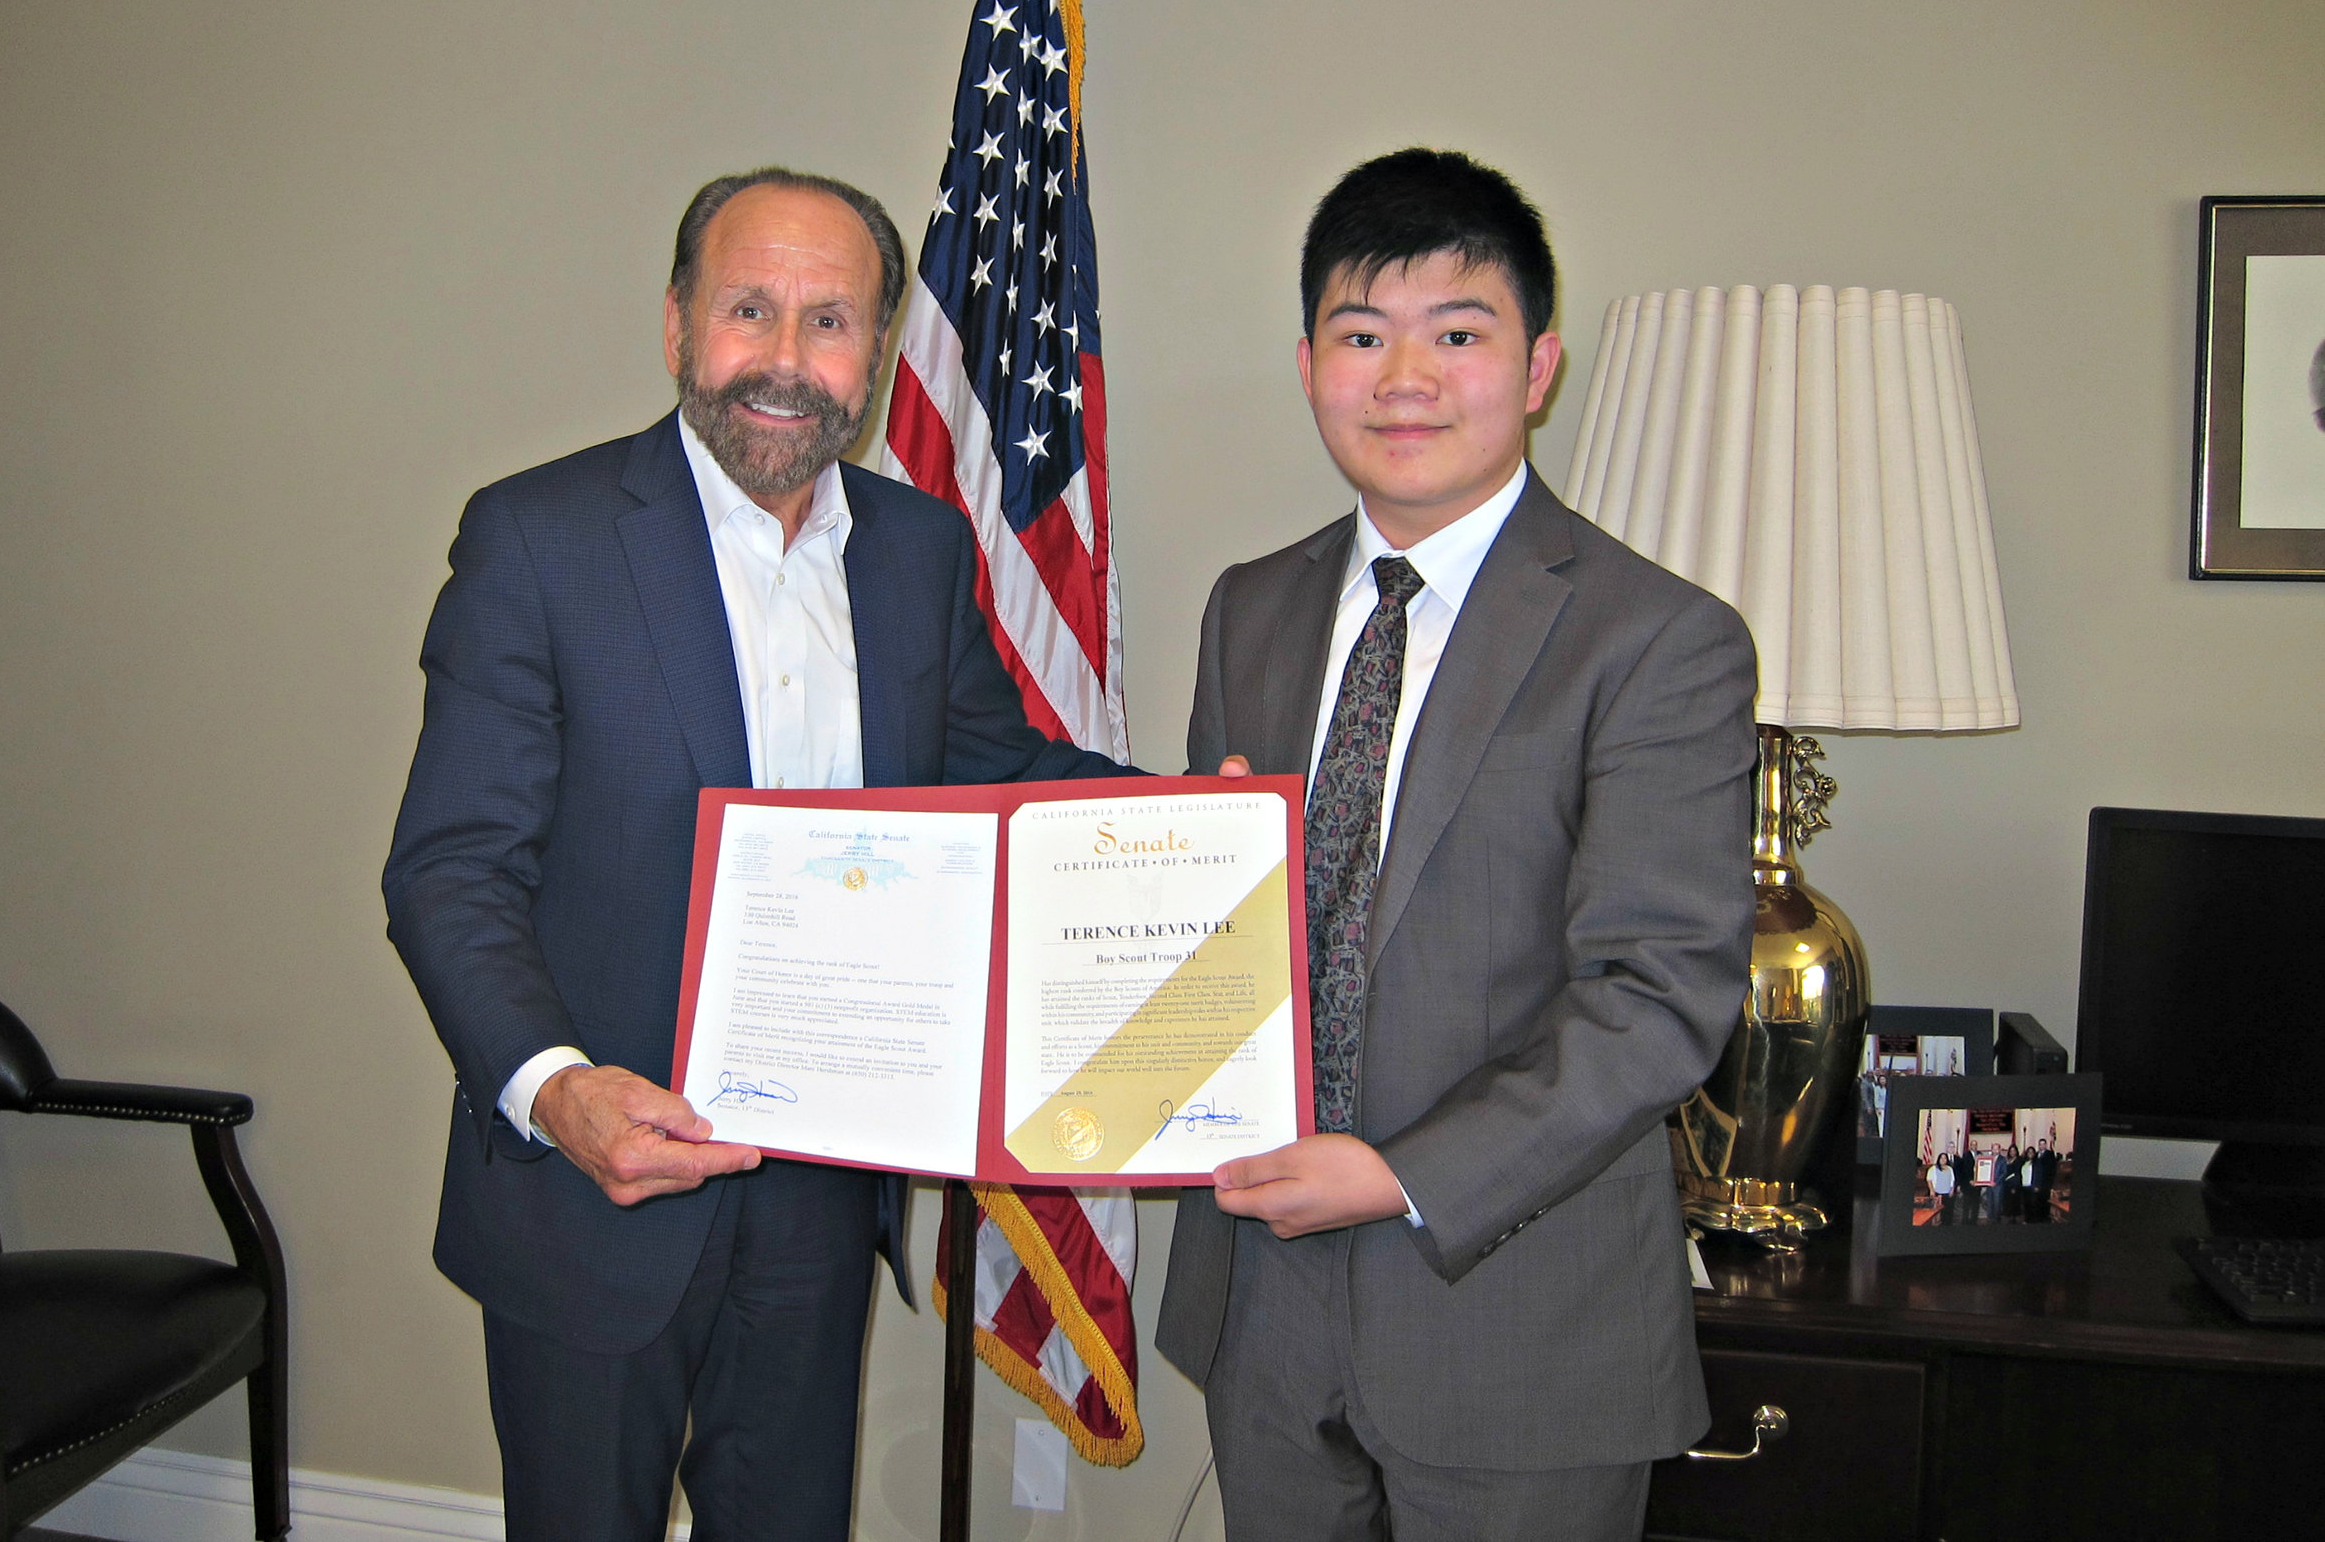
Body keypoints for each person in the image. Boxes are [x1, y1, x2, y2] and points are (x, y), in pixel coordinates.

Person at [382, 168, 1128, 1542]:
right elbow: (449, 868)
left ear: (878, 348)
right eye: (749, 310)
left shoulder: (916, 550)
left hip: (820, 1195)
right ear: (677, 326)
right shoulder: (538, 542)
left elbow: (999, 777)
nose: (786, 361)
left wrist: (1202, 830)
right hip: (594, 1184)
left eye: (831, 321)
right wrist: (557, 1094)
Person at [1154, 149, 1759, 1541]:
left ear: (1538, 365)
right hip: (1267, 1315)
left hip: (1517, 1326)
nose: (1405, 379)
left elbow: (1658, 1001)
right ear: (1309, 362)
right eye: (1363, 336)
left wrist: (1402, 1174)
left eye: (1458, 335)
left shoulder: (1658, 640)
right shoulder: (1250, 609)